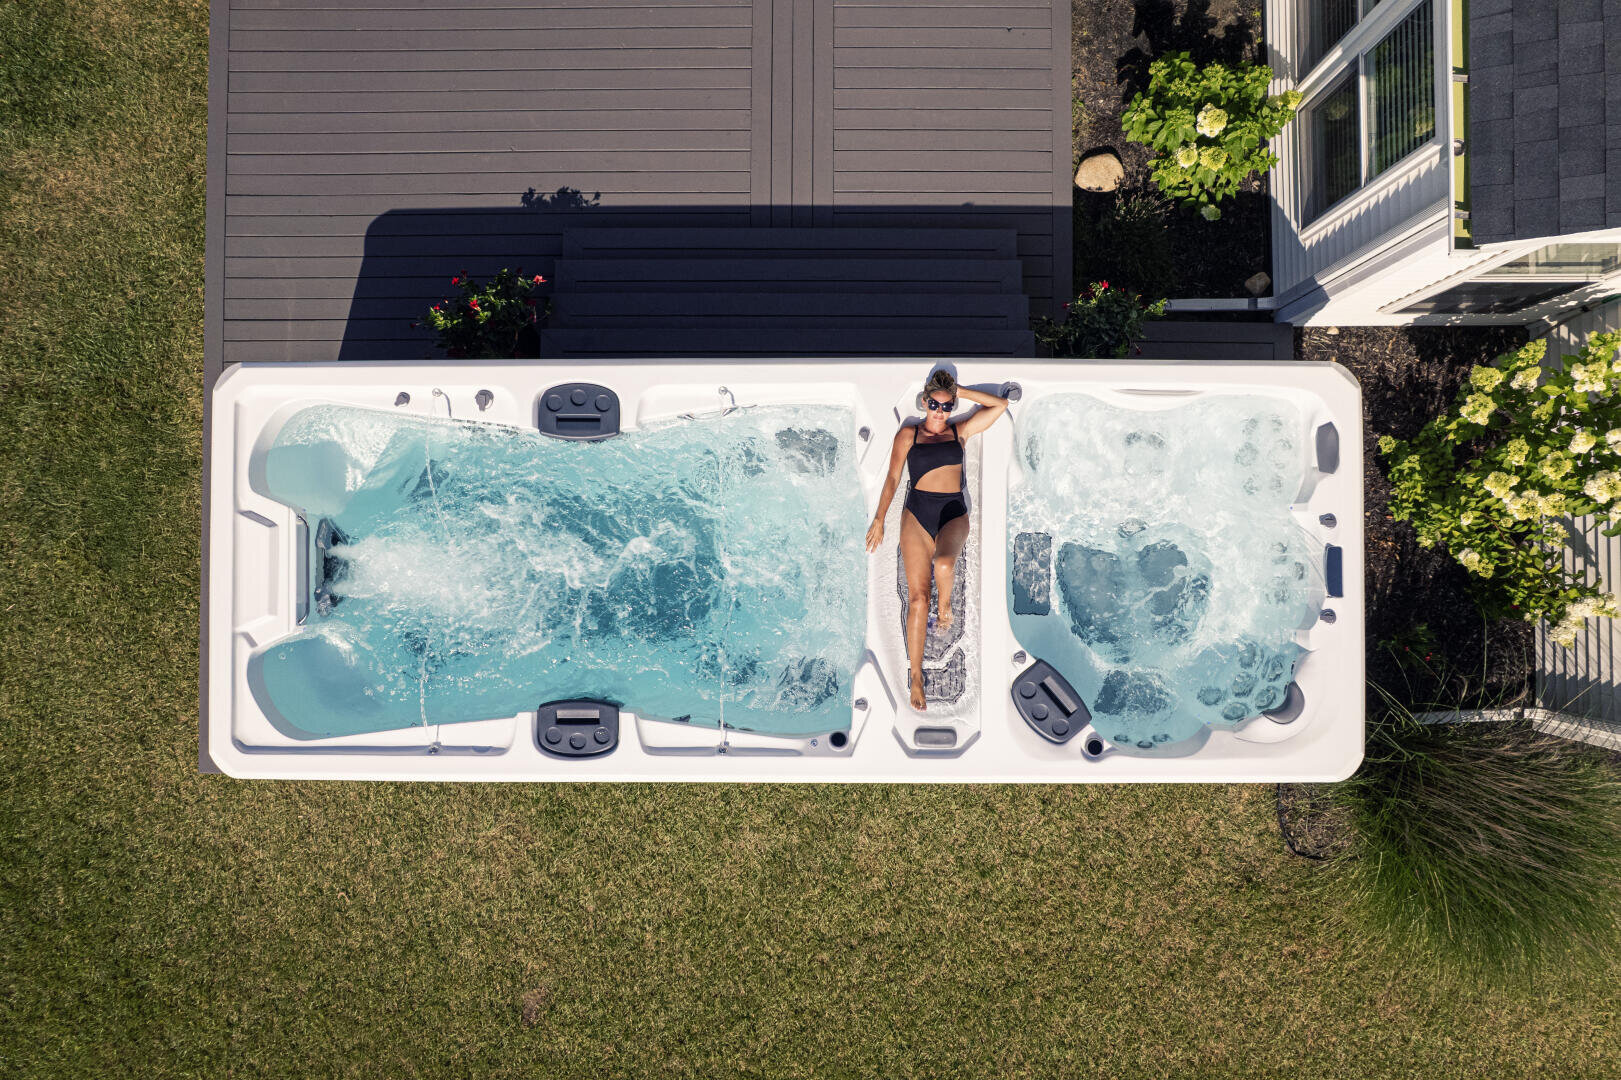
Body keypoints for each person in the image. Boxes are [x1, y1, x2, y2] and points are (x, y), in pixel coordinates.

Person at [866, 370, 1010, 710]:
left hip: (952, 513)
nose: (940, 412)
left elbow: (1000, 405)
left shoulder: (959, 433)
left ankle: (945, 608)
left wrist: (959, 390)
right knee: (918, 601)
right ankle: (915, 675)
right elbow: (892, 477)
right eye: (934, 404)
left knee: (943, 563)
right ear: (924, 402)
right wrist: (879, 519)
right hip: (916, 514)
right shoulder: (909, 435)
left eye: (947, 406)